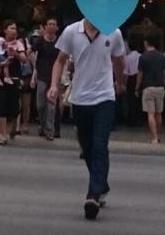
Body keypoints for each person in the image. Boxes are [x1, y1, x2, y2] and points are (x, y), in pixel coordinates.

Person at [48, 16, 126, 220]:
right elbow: (60, 60)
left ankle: (93, 195)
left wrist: (120, 82)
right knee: (87, 146)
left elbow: (119, 60)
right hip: (80, 98)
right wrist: (54, 85)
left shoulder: (114, 32)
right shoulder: (72, 31)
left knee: (100, 145)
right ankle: (102, 184)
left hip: (105, 97)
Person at [0, 20, 30, 144]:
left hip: (14, 78)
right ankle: (3, 135)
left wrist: (15, 54)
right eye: (11, 28)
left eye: (15, 28)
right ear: (5, 30)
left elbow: (24, 59)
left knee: (14, 107)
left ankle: (13, 127)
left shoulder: (19, 44)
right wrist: (1, 63)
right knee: (1, 106)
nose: (14, 30)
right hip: (0, 78)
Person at [31, 15, 61, 139]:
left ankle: (49, 130)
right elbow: (32, 54)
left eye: (54, 24)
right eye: (49, 24)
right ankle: (42, 125)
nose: (51, 26)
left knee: (52, 105)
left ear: (57, 27)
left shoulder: (59, 42)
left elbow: (63, 59)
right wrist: (34, 73)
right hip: (41, 75)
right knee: (41, 105)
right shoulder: (39, 41)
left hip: (55, 76)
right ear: (45, 26)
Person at [136, 34, 165, 145]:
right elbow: (164, 72)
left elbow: (140, 74)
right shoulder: (162, 56)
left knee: (150, 113)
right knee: (159, 113)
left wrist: (137, 87)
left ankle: (154, 137)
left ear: (146, 43)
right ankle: (158, 135)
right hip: (160, 87)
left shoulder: (143, 57)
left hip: (148, 87)